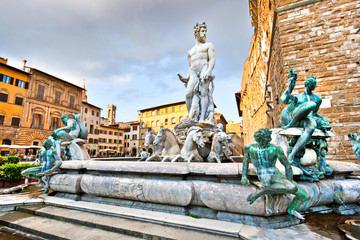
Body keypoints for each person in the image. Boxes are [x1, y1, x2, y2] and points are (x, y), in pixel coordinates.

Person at [241, 128, 310, 220]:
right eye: (267, 138)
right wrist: (244, 176)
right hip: (265, 176)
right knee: (292, 187)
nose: (270, 139)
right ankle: (261, 192)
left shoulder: (276, 149)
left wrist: (288, 183)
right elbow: (245, 162)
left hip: (276, 174)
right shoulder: (249, 148)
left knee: (305, 196)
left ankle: (291, 210)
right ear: (260, 139)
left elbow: (287, 166)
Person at [280, 70, 331, 164]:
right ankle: (291, 123)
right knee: (310, 104)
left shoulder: (318, 99)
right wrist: (290, 85)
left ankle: (292, 155)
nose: (315, 86)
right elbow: (284, 99)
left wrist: (323, 120)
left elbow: (314, 113)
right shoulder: (298, 97)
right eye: (314, 84)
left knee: (312, 125)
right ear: (308, 84)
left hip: (308, 120)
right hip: (298, 118)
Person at [178, 22, 215, 122]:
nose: (205, 34)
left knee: (203, 93)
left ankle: (202, 118)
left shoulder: (208, 45)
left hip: (204, 68)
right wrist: (186, 77)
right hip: (194, 72)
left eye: (205, 31)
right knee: (188, 94)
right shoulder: (190, 51)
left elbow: (212, 61)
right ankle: (192, 118)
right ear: (197, 33)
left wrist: (208, 71)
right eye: (202, 31)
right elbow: (190, 67)